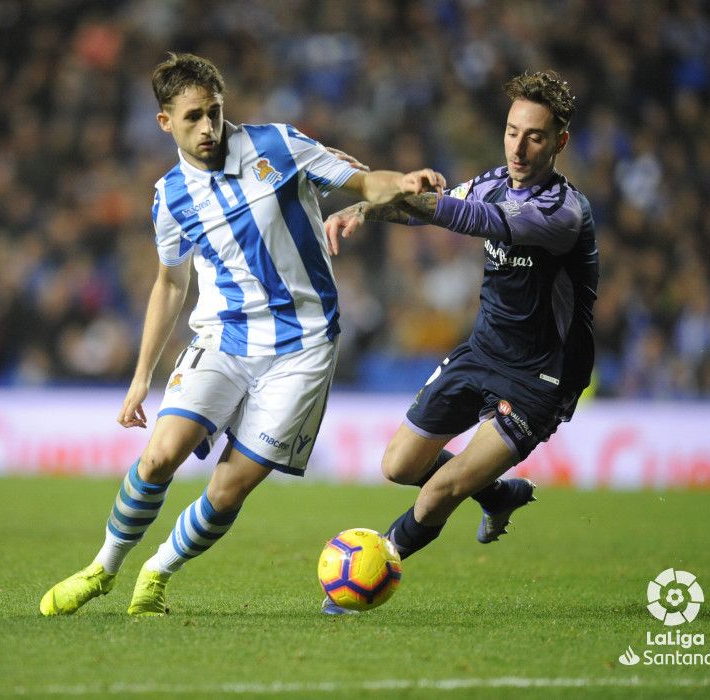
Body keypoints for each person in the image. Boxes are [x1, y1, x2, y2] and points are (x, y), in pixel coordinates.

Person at [39, 52, 445, 617]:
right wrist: (139, 380)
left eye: (214, 112)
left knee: (228, 489)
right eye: (192, 118)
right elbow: (170, 284)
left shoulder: (278, 146)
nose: (208, 128)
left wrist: (398, 181)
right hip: (224, 338)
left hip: (303, 347)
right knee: (159, 457)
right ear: (165, 123)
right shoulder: (170, 197)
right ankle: (102, 569)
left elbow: (361, 179)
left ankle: (156, 573)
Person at [322, 71, 598, 614]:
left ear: (560, 142)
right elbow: (431, 205)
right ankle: (499, 494)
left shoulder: (562, 212)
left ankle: (373, 569)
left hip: (540, 376)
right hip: (482, 351)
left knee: (439, 491)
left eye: (535, 136)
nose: (518, 147)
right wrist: (364, 209)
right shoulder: (496, 179)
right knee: (399, 465)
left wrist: (392, 196)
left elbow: (466, 216)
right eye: (512, 131)